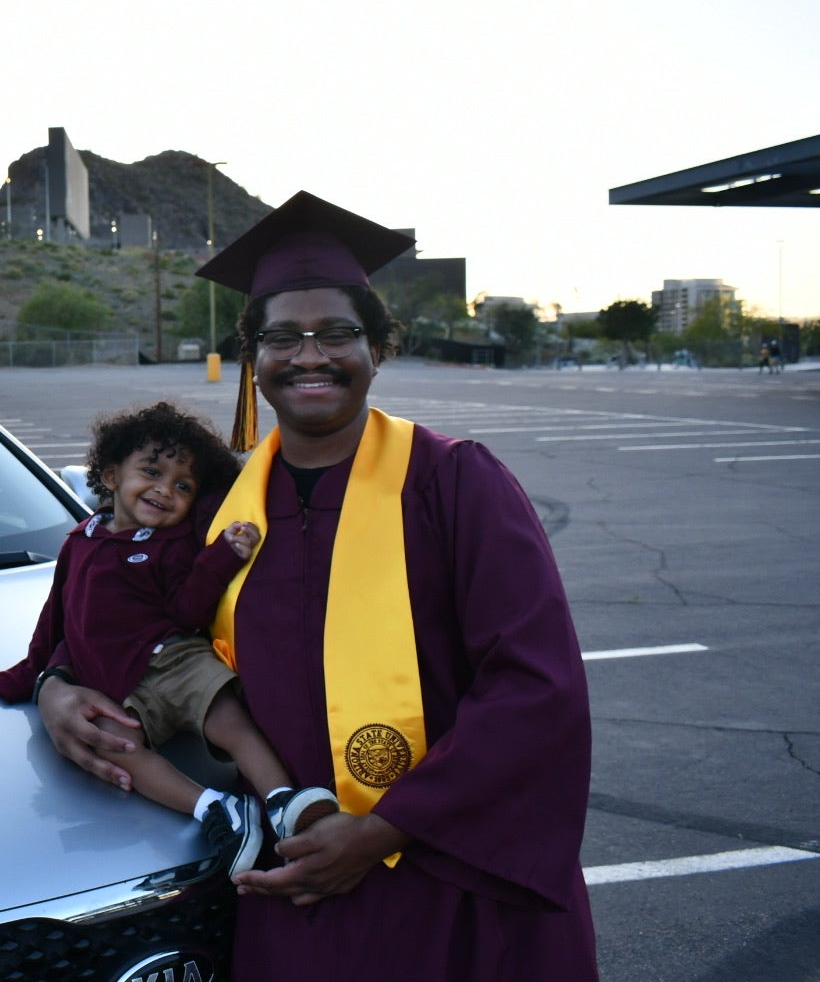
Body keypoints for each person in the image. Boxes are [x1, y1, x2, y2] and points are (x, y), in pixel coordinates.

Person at [36, 191, 597, 979]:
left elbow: (536, 687)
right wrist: (58, 687)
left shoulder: (453, 484)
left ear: (377, 348)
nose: (309, 356)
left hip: (451, 881)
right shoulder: (218, 510)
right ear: (252, 359)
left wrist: (388, 830)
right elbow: (120, 614)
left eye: (337, 333)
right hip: (295, 889)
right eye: (281, 338)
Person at [0, 401, 339, 876]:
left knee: (229, 720)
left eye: (182, 486)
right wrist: (25, 676)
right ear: (110, 475)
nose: (164, 490)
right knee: (114, 746)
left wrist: (220, 557)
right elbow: (56, 619)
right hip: (119, 687)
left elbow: (187, 609)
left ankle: (280, 800)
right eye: (150, 471)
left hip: (174, 661)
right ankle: (217, 809)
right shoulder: (80, 540)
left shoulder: (171, 545)